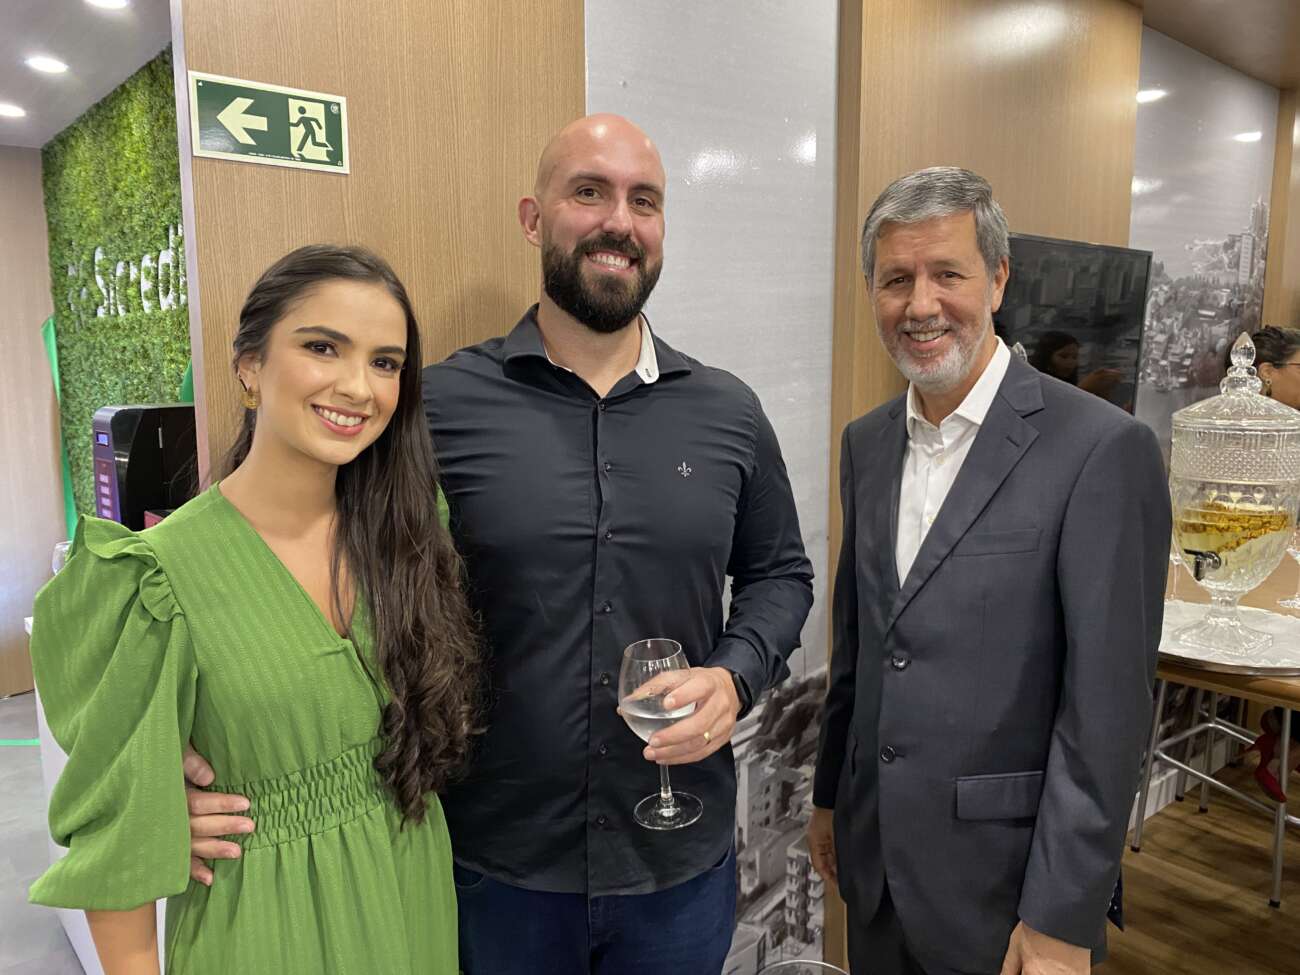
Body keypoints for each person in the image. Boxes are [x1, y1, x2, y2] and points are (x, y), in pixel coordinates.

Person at [184, 115, 814, 974]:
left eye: (644, 201)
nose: (618, 221)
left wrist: (734, 676)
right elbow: (307, 565)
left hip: (677, 866)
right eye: (588, 192)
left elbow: (780, 574)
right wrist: (196, 750)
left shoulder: (729, 412)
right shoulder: (436, 406)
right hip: (492, 869)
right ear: (532, 217)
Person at [29, 245, 478, 973]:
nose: (358, 386)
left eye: (385, 362)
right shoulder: (151, 580)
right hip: (264, 925)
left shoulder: (408, 532)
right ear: (249, 365)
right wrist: (157, 805)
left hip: (411, 892)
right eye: (323, 347)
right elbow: (117, 857)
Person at [807, 167, 1170, 975]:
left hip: (1007, 894)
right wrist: (831, 794)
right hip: (875, 870)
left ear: (998, 279)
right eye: (896, 279)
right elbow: (861, 647)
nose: (921, 305)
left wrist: (1063, 914)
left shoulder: (1101, 449)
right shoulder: (867, 443)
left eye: (948, 273)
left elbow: (1107, 712)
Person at [1231, 325, 1300, 802]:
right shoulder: (1243, 432)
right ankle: (1283, 740)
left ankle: (1282, 736)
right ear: (1268, 373)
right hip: (1250, 578)